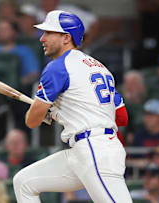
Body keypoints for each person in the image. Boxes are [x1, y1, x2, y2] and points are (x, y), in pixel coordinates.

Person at [13, 10, 132, 203]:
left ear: (66, 37)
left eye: (48, 33)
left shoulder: (57, 67)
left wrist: (46, 112)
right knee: (24, 181)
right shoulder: (100, 68)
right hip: (85, 150)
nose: (42, 38)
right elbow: (122, 117)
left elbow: (32, 121)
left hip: (94, 149)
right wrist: (66, 111)